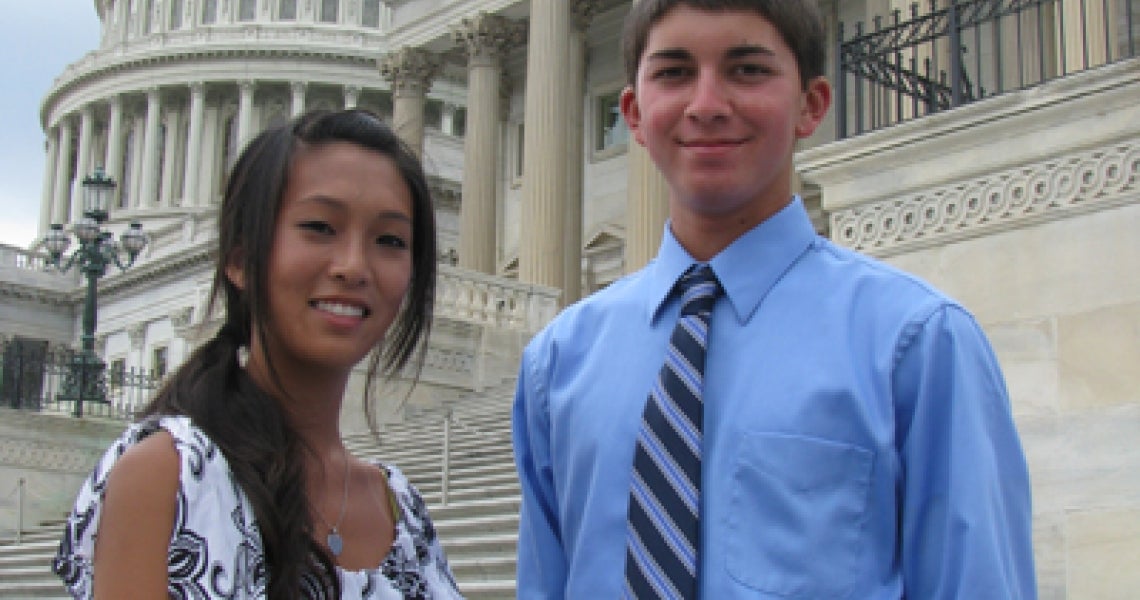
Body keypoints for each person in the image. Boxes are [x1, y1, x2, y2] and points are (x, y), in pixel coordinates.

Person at [511, 1, 1036, 598]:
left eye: (747, 70)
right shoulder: (558, 363)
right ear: (632, 112)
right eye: (675, 72)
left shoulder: (916, 343)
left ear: (810, 105)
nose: (706, 105)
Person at [52, 109, 463, 599]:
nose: (354, 267)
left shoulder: (403, 509)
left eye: (390, 240)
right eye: (320, 227)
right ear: (241, 260)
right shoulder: (169, 475)